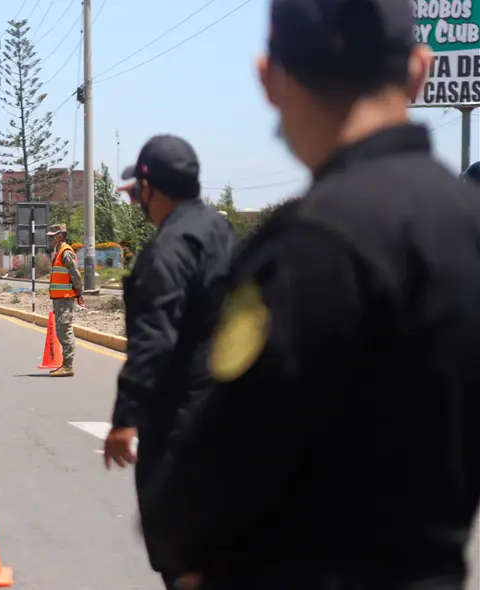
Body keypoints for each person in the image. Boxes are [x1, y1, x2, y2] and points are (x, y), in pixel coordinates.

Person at [139, 1, 480, 589]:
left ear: (271, 79)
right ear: (419, 70)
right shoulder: (465, 223)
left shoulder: (309, 245)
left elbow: (213, 471)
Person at [102, 135, 237, 589]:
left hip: (182, 425)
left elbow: (153, 339)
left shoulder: (169, 249)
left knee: (181, 554)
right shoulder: (222, 233)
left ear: (151, 189)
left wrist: (125, 418)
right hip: (230, 416)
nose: (138, 204)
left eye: (137, 194)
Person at [45, 224, 83, 377]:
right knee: (61, 330)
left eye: (53, 236)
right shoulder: (58, 252)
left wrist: (79, 293)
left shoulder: (66, 252)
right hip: (59, 298)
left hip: (66, 298)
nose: (51, 239)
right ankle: (65, 365)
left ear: (60, 235)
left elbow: (75, 274)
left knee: (65, 330)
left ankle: (68, 366)